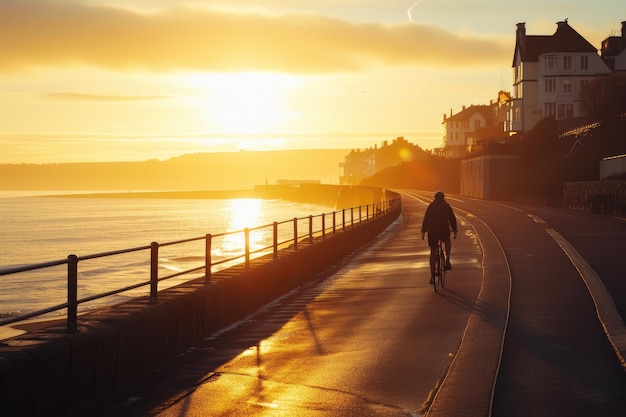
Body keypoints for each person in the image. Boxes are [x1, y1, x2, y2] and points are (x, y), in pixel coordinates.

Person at [421, 190, 458, 284]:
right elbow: (452, 218)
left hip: (432, 232)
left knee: (433, 251)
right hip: (443, 230)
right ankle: (447, 260)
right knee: (447, 241)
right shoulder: (446, 206)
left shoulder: (431, 206)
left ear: (434, 198)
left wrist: (423, 231)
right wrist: (455, 230)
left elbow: (426, 219)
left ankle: (432, 275)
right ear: (443, 198)